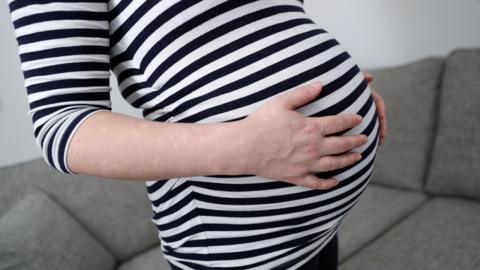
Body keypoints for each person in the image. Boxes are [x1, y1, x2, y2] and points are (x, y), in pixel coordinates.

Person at [5, 0, 387, 269]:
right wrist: (249, 148)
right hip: (235, 242)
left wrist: (339, 88)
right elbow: (61, 127)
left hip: (318, 228)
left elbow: (274, 22)